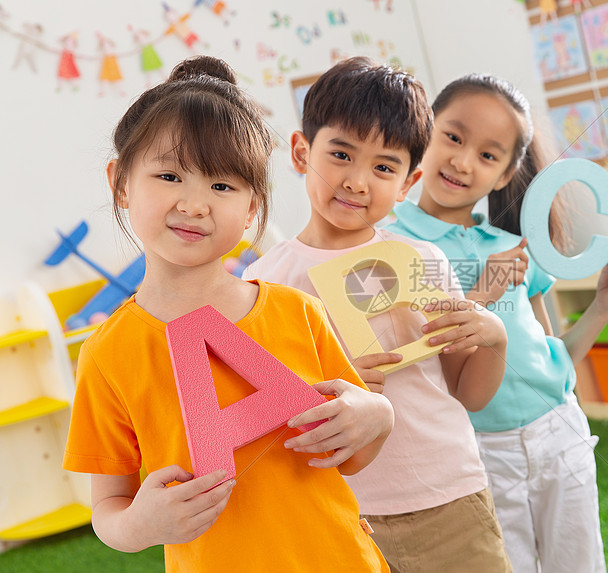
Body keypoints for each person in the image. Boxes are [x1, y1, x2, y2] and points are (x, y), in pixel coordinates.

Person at [62, 56, 394, 573]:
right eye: (170, 175)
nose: (195, 205)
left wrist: (378, 417)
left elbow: (352, 454)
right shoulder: (107, 353)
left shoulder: (298, 312)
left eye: (222, 186)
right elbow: (107, 506)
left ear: (253, 207)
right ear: (121, 183)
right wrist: (137, 526)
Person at [242, 57, 512, 573]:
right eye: (340, 154)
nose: (358, 181)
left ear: (408, 183)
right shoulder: (264, 285)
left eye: (384, 167)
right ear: (302, 152)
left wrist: (494, 339)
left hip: (449, 491)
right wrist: (325, 384)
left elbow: (469, 392)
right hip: (342, 508)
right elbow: (263, 416)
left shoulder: (424, 262)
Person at [384, 73, 608, 573]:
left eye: (488, 154)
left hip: (559, 431)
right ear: (425, 134)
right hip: (478, 451)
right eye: (453, 137)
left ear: (504, 175)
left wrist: (604, 304)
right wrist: (484, 293)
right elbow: (417, 360)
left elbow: (554, 355)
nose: (462, 161)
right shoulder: (394, 247)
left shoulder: (512, 247)